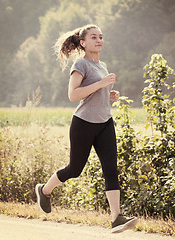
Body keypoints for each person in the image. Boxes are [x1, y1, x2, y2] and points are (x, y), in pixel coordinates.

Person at [35, 24, 138, 233]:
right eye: (93, 37)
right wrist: (101, 84)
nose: (99, 40)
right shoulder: (80, 64)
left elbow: (94, 92)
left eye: (101, 37)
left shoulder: (102, 65)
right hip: (83, 124)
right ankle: (44, 190)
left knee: (111, 168)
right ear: (83, 43)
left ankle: (116, 217)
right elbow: (73, 95)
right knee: (75, 169)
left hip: (105, 122)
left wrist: (109, 93)